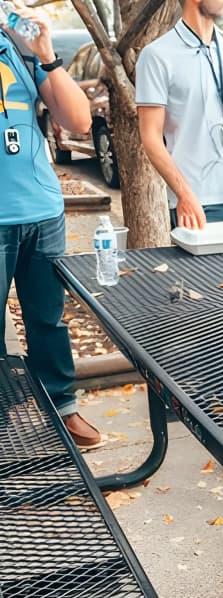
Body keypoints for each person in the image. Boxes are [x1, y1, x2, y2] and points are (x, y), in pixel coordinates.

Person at [1, 3, 101, 448]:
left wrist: (45, 52)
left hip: (41, 211)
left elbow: (78, 121)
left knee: (48, 320)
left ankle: (61, 407)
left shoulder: (18, 45)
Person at [135, 0, 223, 246]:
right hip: (198, 206)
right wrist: (184, 195)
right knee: (207, 274)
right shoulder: (156, 56)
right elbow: (150, 137)